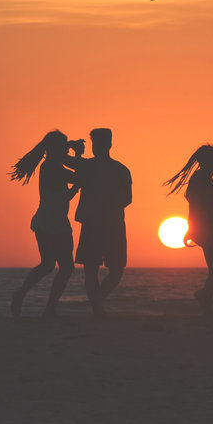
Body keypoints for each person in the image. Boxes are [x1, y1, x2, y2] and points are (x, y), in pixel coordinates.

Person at [8, 130, 84, 318]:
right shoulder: (51, 166)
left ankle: (29, 297)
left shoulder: (51, 165)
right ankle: (46, 306)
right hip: (51, 223)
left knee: (50, 265)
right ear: (56, 148)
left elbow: (65, 195)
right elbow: (77, 177)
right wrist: (78, 155)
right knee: (61, 266)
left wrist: (70, 149)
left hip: (50, 221)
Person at [163, 145, 213, 316]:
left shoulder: (202, 177)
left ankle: (206, 302)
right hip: (209, 230)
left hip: (205, 230)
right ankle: (205, 293)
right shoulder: (202, 179)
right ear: (209, 162)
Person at [63, 128, 132, 316]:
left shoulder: (114, 169)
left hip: (103, 224)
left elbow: (127, 198)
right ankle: (97, 306)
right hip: (106, 224)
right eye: (95, 143)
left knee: (108, 268)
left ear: (109, 144)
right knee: (99, 268)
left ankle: (97, 303)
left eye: (98, 143)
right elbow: (127, 199)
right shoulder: (115, 169)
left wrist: (70, 148)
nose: (96, 147)